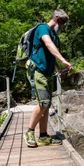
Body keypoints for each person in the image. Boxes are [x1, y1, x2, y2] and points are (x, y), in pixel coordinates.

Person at [24, 9, 73, 148]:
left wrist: (59, 69)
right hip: (38, 70)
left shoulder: (54, 36)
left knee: (46, 105)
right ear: (57, 19)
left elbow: (51, 54)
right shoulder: (42, 28)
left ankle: (44, 137)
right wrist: (63, 60)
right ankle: (29, 132)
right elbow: (48, 44)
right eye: (63, 23)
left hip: (48, 72)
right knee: (44, 103)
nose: (63, 27)